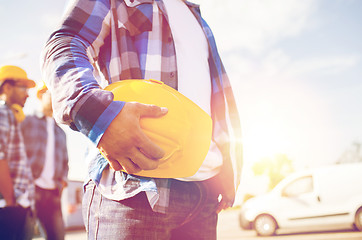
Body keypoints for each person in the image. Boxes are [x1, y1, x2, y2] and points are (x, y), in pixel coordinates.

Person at [41, 0, 242, 239]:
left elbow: (217, 98)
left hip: (205, 193)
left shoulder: (195, 14)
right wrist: (95, 113)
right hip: (133, 188)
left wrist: (228, 167)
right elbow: (65, 44)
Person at [21, 83, 69, 240]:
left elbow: (65, 163)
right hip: (29, 189)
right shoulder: (26, 121)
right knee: (22, 235)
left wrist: (62, 182)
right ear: (41, 95)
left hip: (53, 193)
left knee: (57, 236)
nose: (57, 96)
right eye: (52, 92)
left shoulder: (61, 132)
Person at [0, 65, 35, 240]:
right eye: (23, 87)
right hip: (9, 208)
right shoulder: (2, 113)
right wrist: (10, 202)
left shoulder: (12, 115)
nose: (27, 94)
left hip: (19, 204)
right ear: (6, 87)